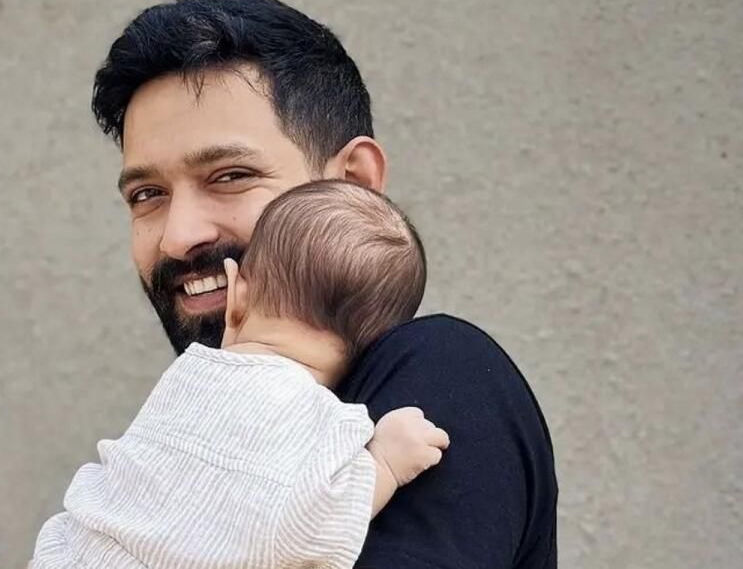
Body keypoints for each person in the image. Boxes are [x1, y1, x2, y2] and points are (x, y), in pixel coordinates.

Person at [80, 0, 557, 567]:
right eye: (147, 194)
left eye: (230, 175)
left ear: (353, 183)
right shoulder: (191, 439)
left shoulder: (437, 378)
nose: (178, 237)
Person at [32, 179, 452, 568]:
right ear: (374, 348)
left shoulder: (188, 375)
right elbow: (308, 530)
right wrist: (384, 464)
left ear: (236, 295)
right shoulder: (328, 423)